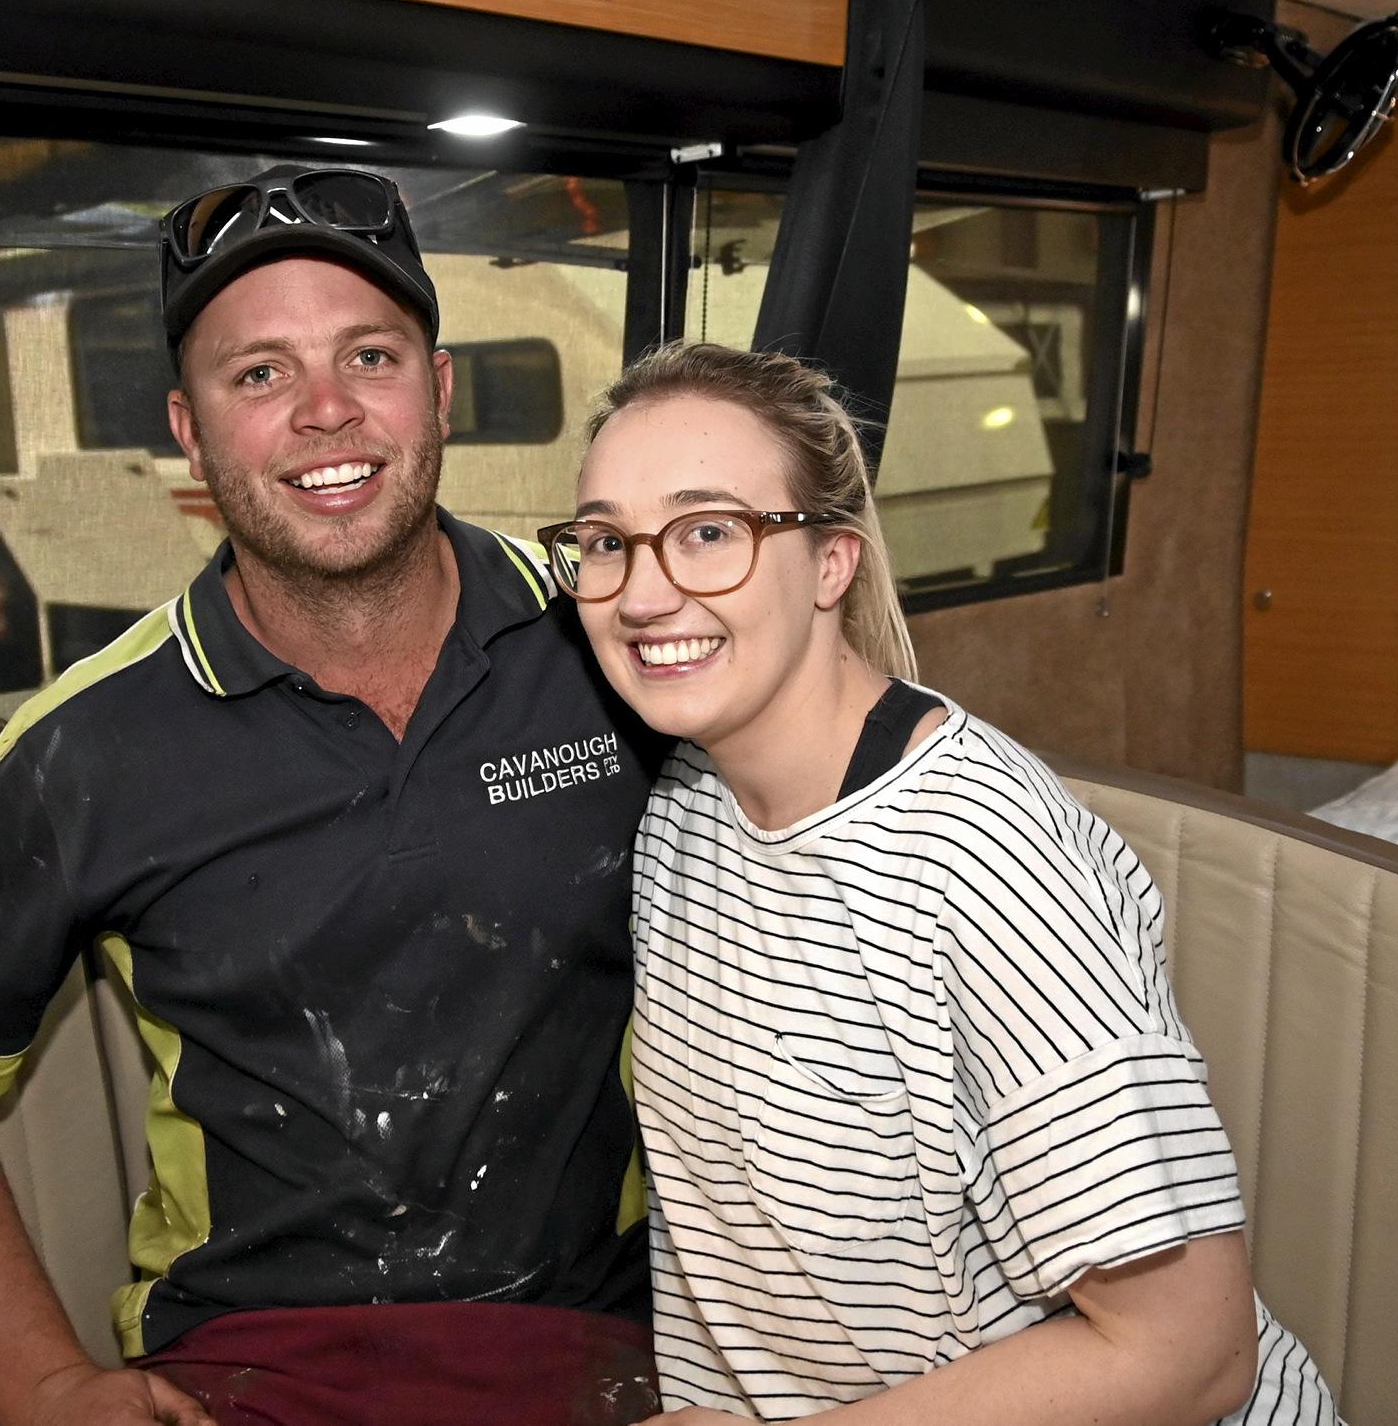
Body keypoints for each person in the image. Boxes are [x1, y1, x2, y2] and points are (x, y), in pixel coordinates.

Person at [0, 166, 665, 1426]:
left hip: (605, 1348)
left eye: (369, 357)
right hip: (254, 1374)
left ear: (436, 390)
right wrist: (42, 1384)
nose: (325, 413)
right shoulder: (85, 750)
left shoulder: (621, 650)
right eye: (259, 375)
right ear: (189, 427)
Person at [542, 342, 1340, 1425]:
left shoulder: (984, 852)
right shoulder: (686, 800)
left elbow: (1190, 1354)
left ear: (832, 563)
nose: (642, 592)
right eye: (605, 542)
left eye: (710, 532)